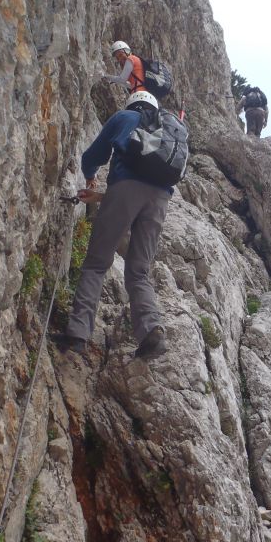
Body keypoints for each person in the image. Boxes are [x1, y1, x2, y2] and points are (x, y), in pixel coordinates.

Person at [52, 90, 170, 361]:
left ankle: (78, 334)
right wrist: (102, 196)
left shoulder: (125, 117)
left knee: (97, 262)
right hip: (161, 198)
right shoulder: (164, 128)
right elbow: (144, 191)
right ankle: (152, 331)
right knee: (139, 272)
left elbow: (93, 156)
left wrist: (91, 177)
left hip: (125, 188)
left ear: (133, 104)